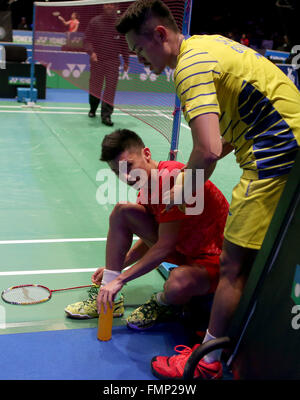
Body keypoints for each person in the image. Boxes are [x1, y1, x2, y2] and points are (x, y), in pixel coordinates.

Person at [114, 0, 300, 380]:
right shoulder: (209, 44)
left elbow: (209, 150)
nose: (140, 60)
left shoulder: (189, 67)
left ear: (160, 35)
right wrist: (191, 179)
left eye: (139, 50)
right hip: (288, 149)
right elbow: (225, 137)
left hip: (277, 157)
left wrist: (182, 192)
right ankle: (241, 338)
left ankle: (209, 362)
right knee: (266, 259)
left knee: (233, 265)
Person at [65, 129, 229, 339]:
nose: (125, 177)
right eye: (117, 172)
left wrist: (122, 279)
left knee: (177, 285)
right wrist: (116, 269)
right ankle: (109, 298)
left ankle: (162, 302)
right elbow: (152, 239)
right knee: (123, 212)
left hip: (213, 260)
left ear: (147, 154)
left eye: (128, 166)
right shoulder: (147, 187)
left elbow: (164, 246)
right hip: (185, 249)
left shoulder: (172, 180)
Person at [84, 4, 129, 126]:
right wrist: (91, 52)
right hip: (97, 60)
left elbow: (124, 44)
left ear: (115, 7)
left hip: (113, 61)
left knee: (110, 89)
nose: (109, 6)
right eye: (107, 4)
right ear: (103, 6)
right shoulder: (95, 22)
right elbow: (87, 40)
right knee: (95, 88)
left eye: (112, 4)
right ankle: (93, 108)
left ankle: (106, 115)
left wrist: (126, 61)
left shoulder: (120, 23)